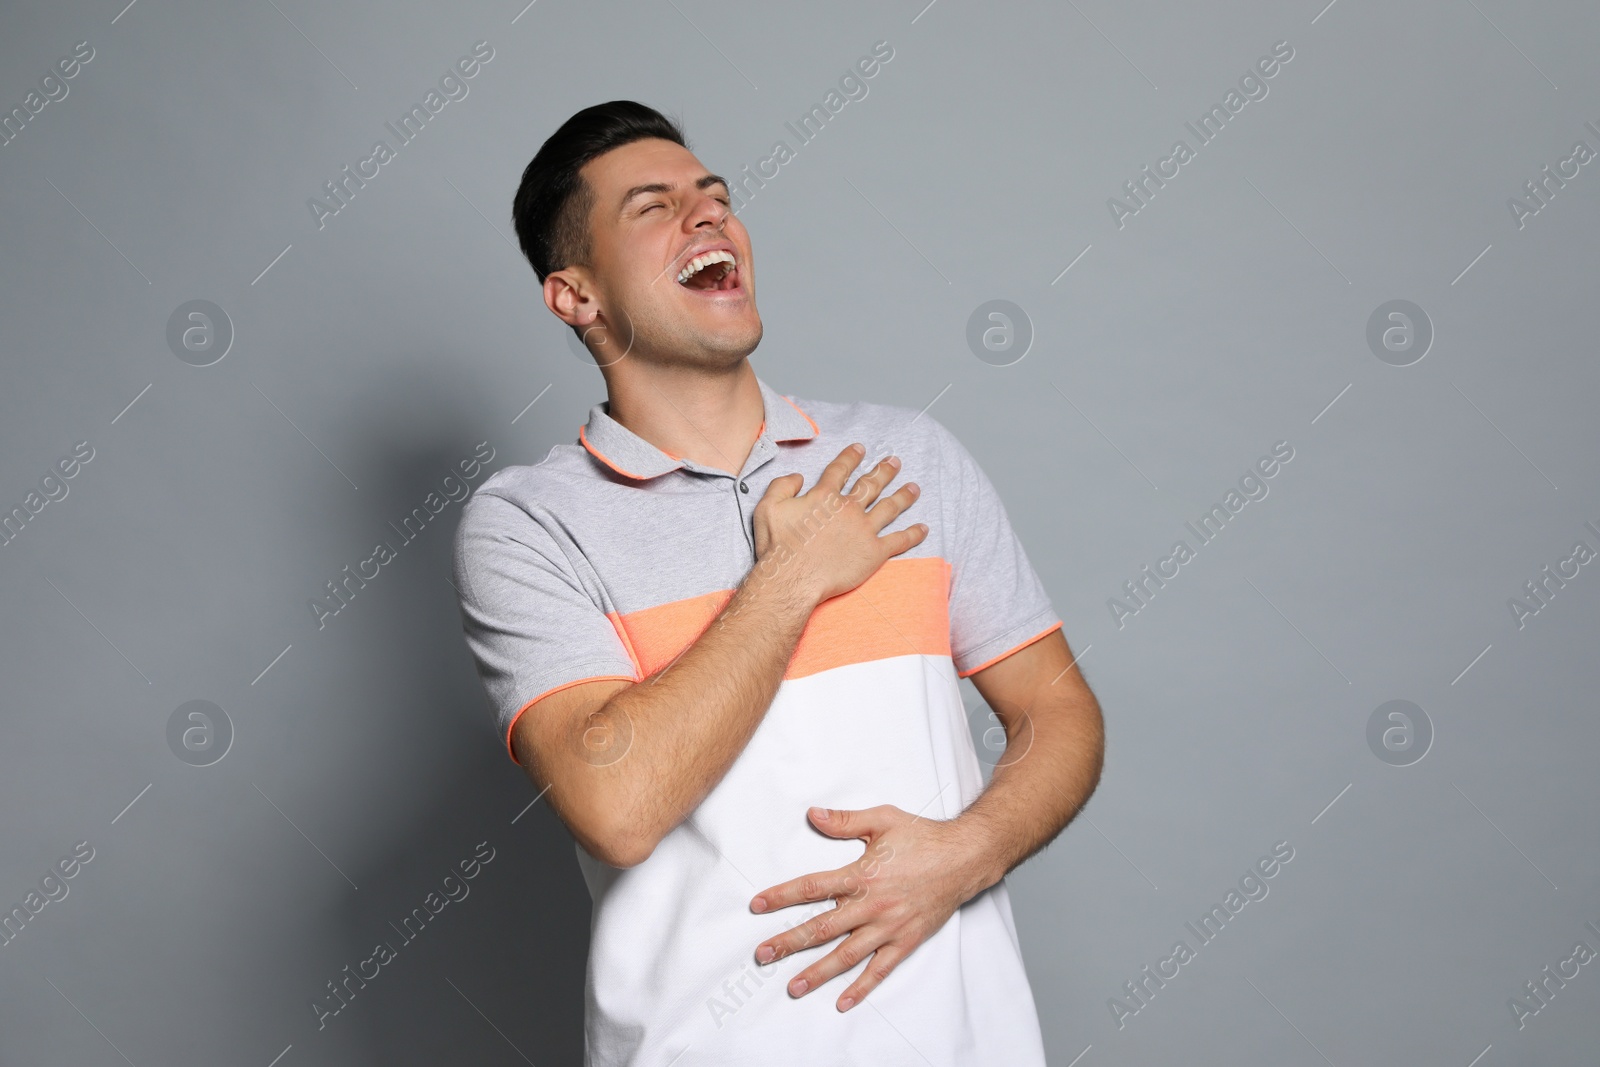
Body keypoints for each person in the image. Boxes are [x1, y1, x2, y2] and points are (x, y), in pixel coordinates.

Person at [452, 100, 1104, 1066]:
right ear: (575, 296)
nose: (708, 214)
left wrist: (968, 851)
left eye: (715, 196)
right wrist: (790, 577)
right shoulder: (530, 523)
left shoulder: (907, 456)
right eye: (653, 207)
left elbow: (1062, 716)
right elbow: (618, 805)